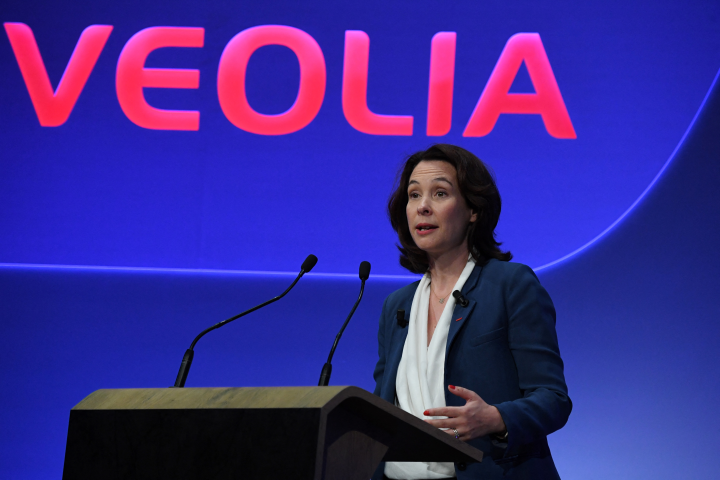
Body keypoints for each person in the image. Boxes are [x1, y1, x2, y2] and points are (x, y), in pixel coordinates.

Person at [372, 144, 571, 480]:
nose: (422, 207)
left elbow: (553, 399)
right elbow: (385, 412)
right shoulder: (397, 305)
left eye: (439, 193)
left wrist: (496, 418)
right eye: (414, 195)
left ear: (473, 209)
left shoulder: (510, 285)